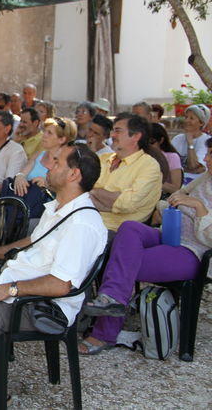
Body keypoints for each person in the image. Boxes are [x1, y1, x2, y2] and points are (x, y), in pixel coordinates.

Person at [0, 143, 106, 408]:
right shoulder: (58, 207)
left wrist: (9, 289)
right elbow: (32, 241)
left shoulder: (82, 224)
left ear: (74, 175)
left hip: (42, 304)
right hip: (14, 284)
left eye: (57, 161)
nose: (48, 164)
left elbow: (61, 284)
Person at [79, 137, 212, 355]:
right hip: (169, 233)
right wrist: (169, 205)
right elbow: (179, 194)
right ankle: (111, 299)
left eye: (210, 155)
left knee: (122, 263)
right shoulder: (206, 178)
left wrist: (197, 207)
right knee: (130, 228)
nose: (205, 159)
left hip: (193, 251)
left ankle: (105, 330)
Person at [90, 113, 162, 232]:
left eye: (118, 131)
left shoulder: (149, 166)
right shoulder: (103, 159)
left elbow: (127, 204)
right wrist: (112, 200)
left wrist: (92, 191)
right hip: (84, 220)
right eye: (113, 131)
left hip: (115, 231)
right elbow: (77, 189)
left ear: (136, 136)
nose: (112, 135)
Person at [12, 117, 77, 203]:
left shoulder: (69, 163)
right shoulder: (38, 154)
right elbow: (23, 172)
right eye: (45, 131)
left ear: (62, 139)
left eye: (49, 133)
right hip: (25, 204)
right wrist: (19, 177)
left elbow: (71, 192)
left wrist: (48, 185)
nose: (44, 135)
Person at [171, 104, 211, 183]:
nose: (186, 121)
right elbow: (167, 162)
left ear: (201, 123)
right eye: (186, 117)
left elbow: (194, 167)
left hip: (196, 183)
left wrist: (190, 143)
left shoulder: (207, 141)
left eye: (191, 118)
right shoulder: (177, 138)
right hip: (176, 181)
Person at [150, 122, 183, 195]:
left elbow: (176, 188)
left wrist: (154, 181)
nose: (148, 146)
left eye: (151, 142)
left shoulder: (172, 157)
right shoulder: (140, 155)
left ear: (161, 140)